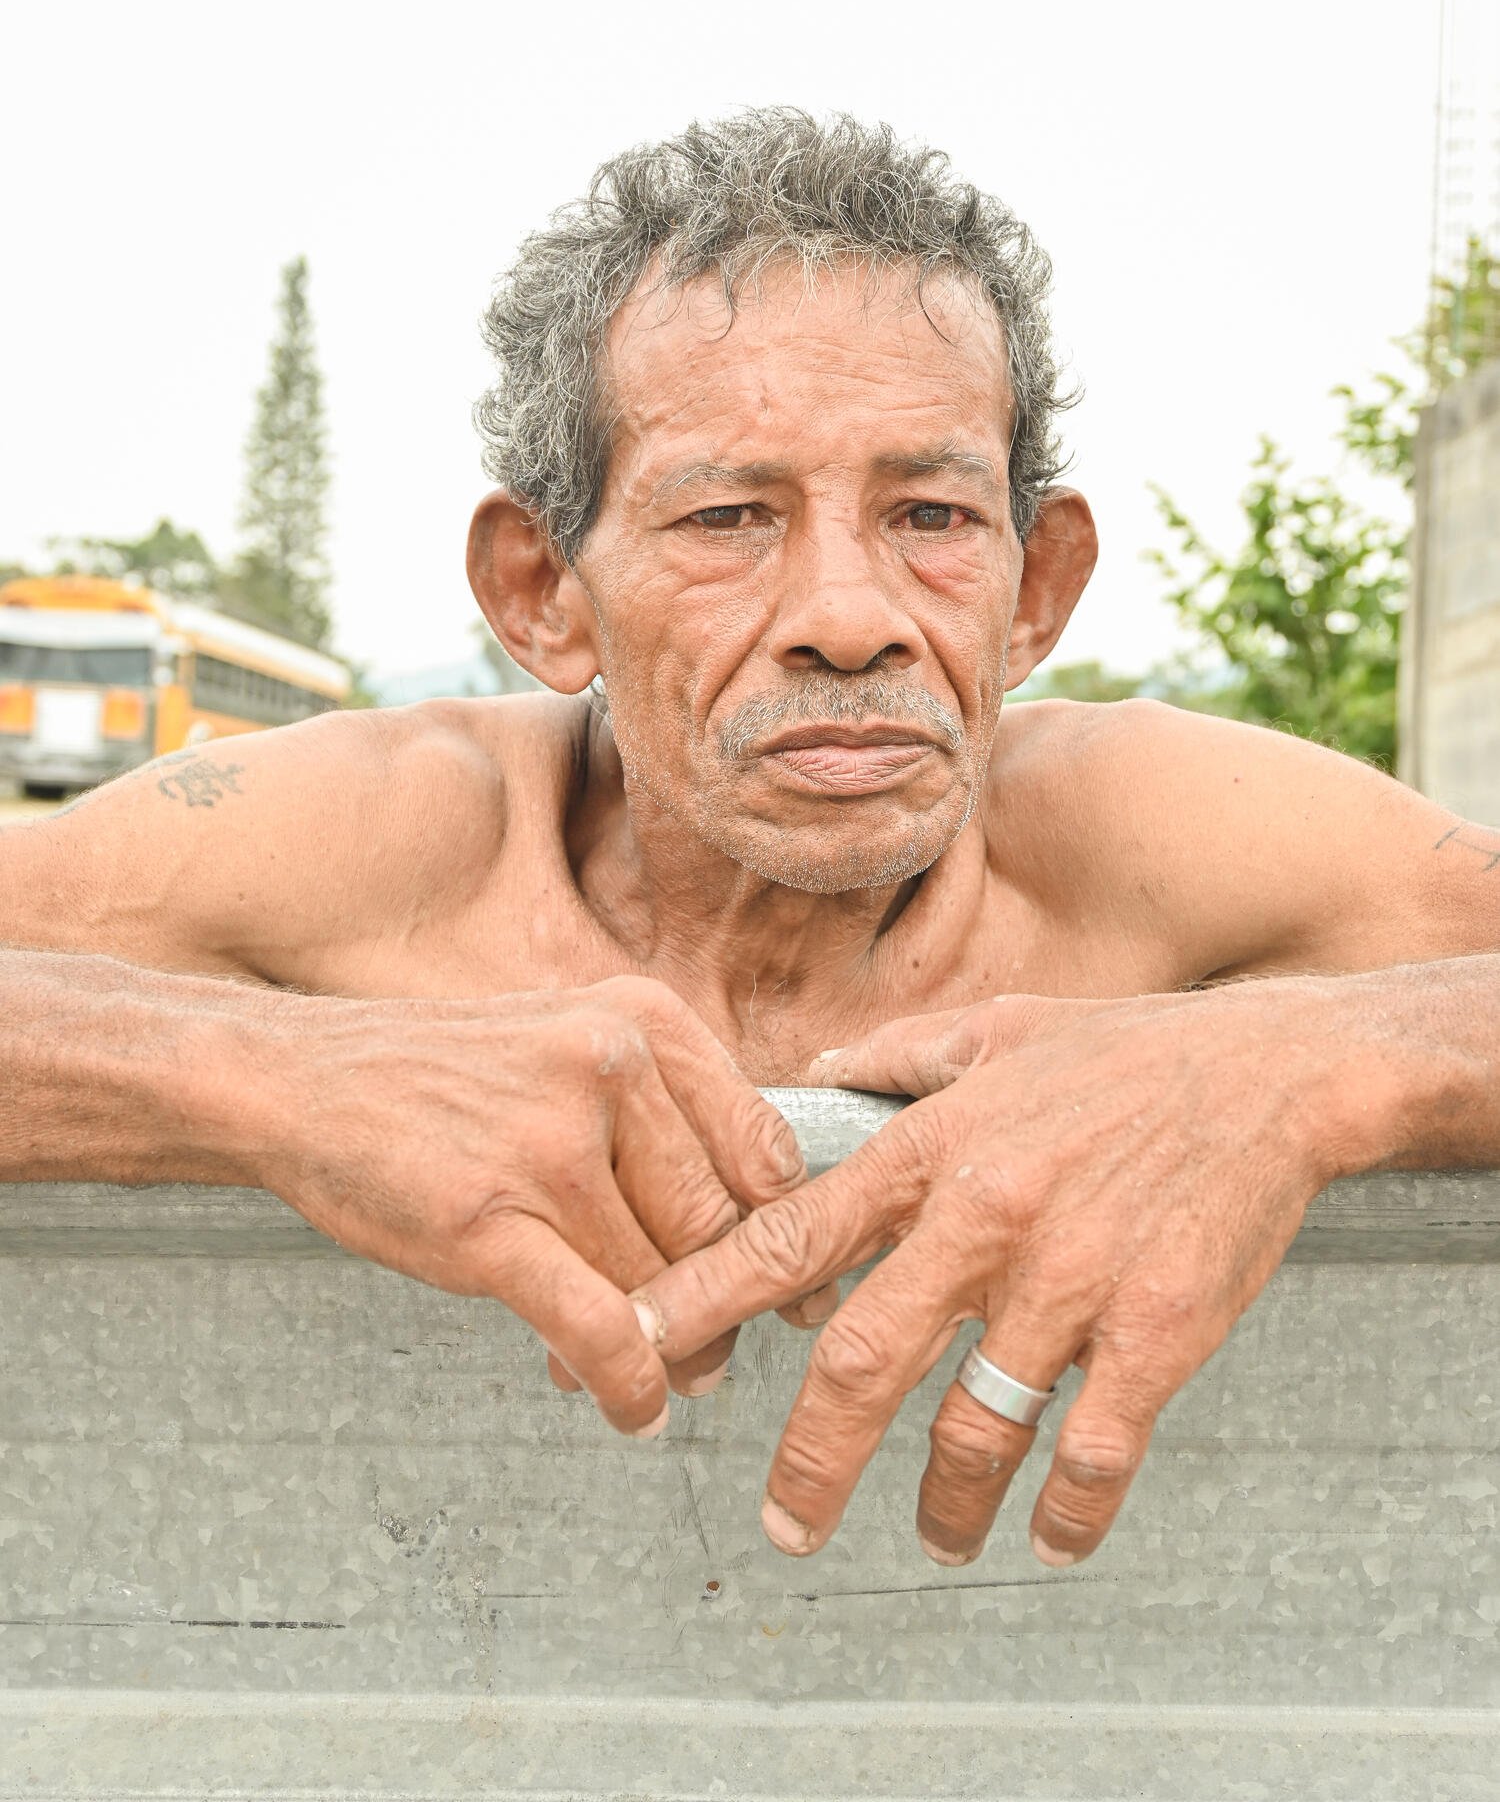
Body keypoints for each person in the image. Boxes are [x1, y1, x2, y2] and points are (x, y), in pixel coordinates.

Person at [4, 110, 1498, 1575]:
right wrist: (274, 1073)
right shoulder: (378, 840)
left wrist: (1298, 1070)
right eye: (727, 516)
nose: (849, 618)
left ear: (1036, 588)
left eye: (932, 512)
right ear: (543, 591)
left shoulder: (1168, 832)